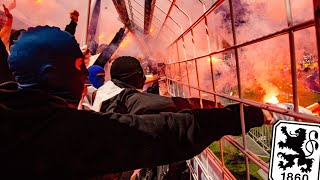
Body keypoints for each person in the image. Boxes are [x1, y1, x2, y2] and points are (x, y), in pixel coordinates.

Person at [1, 26, 265, 179]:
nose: (85, 75)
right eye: (80, 66)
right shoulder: (61, 133)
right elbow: (165, 131)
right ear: (50, 74)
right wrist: (237, 116)